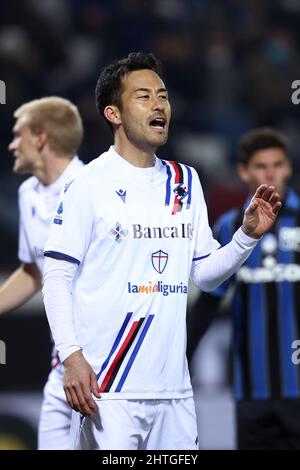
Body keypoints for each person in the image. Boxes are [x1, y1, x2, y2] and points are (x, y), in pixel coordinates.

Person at [42, 52, 281, 451]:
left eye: (163, 96)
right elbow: (57, 276)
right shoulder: (88, 184)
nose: (159, 105)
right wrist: (72, 357)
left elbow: (203, 273)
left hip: (174, 392)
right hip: (108, 389)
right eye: (144, 96)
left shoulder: (184, 180)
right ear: (113, 113)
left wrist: (245, 236)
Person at [188, 127, 300, 449]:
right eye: (261, 166)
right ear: (243, 172)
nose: (271, 173)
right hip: (251, 389)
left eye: (277, 164)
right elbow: (209, 301)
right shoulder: (228, 226)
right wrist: (181, 358)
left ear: (288, 167)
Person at [0, 97, 84, 449]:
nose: (11, 144)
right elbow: (33, 272)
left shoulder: (95, 188)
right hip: (63, 361)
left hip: (109, 359)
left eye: (18, 135)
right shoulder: (27, 193)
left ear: (41, 139)